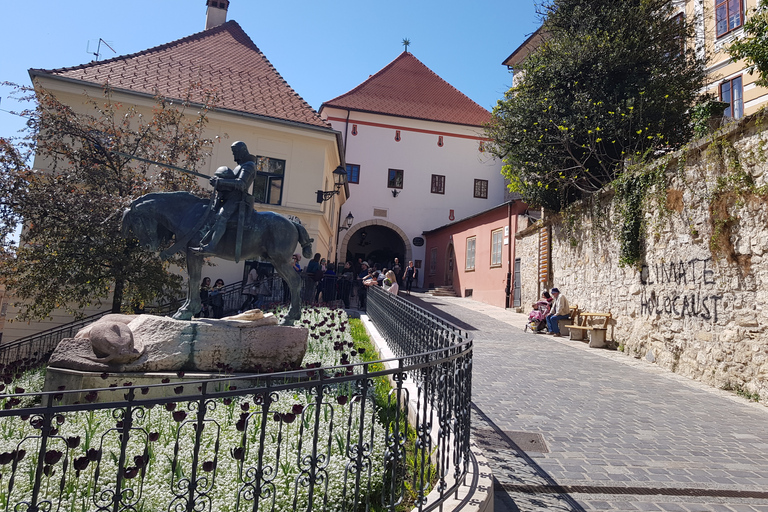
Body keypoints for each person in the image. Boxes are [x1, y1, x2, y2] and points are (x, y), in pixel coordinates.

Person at [192, 141, 257, 255]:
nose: (234, 155)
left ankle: (211, 247)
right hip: (228, 198)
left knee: (221, 217)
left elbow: (241, 184)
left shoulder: (249, 165)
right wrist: (218, 182)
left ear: (242, 151)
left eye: (235, 152)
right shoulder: (240, 166)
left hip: (238, 200)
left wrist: (220, 181)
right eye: (233, 152)